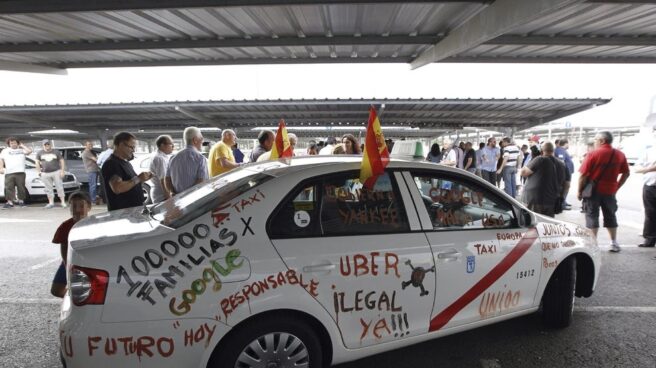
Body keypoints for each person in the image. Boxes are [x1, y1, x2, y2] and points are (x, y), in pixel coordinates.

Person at [577, 131, 630, 253]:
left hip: (593, 191)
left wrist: (579, 191)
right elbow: (626, 173)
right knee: (610, 215)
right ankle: (613, 243)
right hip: (610, 192)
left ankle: (593, 245)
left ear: (602, 141)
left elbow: (583, 176)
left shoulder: (592, 154)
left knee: (591, 216)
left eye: (595, 139)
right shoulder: (620, 154)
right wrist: (616, 186)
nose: (594, 142)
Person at [50, 191, 91, 298]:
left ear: (89, 207)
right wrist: (67, 265)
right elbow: (63, 247)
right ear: (70, 208)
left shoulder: (95, 225)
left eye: (81, 206)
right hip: (70, 261)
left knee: (84, 290)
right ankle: (72, 300)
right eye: (74, 206)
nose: (77, 210)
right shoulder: (65, 226)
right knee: (56, 290)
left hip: (90, 263)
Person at [102, 132, 152, 211]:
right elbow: (117, 188)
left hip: (133, 210)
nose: (133, 150)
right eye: (131, 147)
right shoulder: (112, 163)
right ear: (121, 145)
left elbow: (130, 183)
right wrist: (138, 179)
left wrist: (142, 179)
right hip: (122, 213)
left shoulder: (125, 163)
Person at [520, 142, 566, 217]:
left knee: (533, 224)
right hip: (551, 201)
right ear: (553, 150)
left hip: (535, 200)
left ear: (542, 150)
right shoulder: (561, 164)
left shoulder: (540, 159)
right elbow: (566, 184)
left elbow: (523, 173)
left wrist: (533, 158)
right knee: (546, 225)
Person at [166, 127, 208, 195]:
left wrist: (172, 192)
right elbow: (201, 181)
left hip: (177, 200)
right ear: (195, 140)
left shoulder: (173, 158)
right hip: (194, 200)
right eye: (201, 138)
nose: (202, 141)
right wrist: (187, 196)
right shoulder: (200, 158)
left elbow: (167, 179)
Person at [0, 137, 32, 208]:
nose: (13, 144)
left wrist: (22, 145)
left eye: (14, 143)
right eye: (11, 143)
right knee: (8, 187)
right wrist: (1, 168)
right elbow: (1, 159)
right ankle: (10, 202)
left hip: (20, 172)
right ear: (9, 144)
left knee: (21, 187)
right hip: (9, 172)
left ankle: (21, 201)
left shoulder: (21, 150)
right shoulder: (5, 151)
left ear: (17, 143)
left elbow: (29, 151)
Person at [635, 143, 656, 248]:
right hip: (650, 185)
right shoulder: (649, 151)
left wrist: (648, 169)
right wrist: (650, 169)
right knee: (650, 213)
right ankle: (650, 239)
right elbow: (637, 168)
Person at [35, 139, 67, 209]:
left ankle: (63, 202)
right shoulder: (39, 153)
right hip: (45, 173)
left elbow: (62, 161)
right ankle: (51, 202)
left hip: (56, 171)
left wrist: (62, 171)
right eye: (45, 145)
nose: (47, 146)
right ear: (43, 145)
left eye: (48, 144)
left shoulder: (56, 152)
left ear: (50, 145)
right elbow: (37, 162)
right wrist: (39, 172)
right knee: (48, 188)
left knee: (59, 187)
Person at [149, 135, 174, 203]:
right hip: (162, 196)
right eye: (171, 144)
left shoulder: (162, 156)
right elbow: (163, 180)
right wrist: (169, 198)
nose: (173, 146)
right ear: (162, 145)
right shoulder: (160, 158)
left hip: (161, 195)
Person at [555, 139, 575, 210]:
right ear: (565, 144)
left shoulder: (562, 150)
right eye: (568, 144)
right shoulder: (560, 150)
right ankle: (562, 204)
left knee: (565, 188)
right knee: (564, 188)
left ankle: (563, 201)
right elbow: (561, 161)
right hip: (565, 174)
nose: (568, 145)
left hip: (566, 173)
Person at [81, 141, 100, 205]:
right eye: (89, 144)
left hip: (94, 170)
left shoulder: (90, 152)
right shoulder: (86, 152)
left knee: (94, 185)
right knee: (93, 185)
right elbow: (96, 160)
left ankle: (94, 199)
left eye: (91, 144)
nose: (91, 145)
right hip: (91, 170)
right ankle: (93, 200)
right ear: (85, 145)